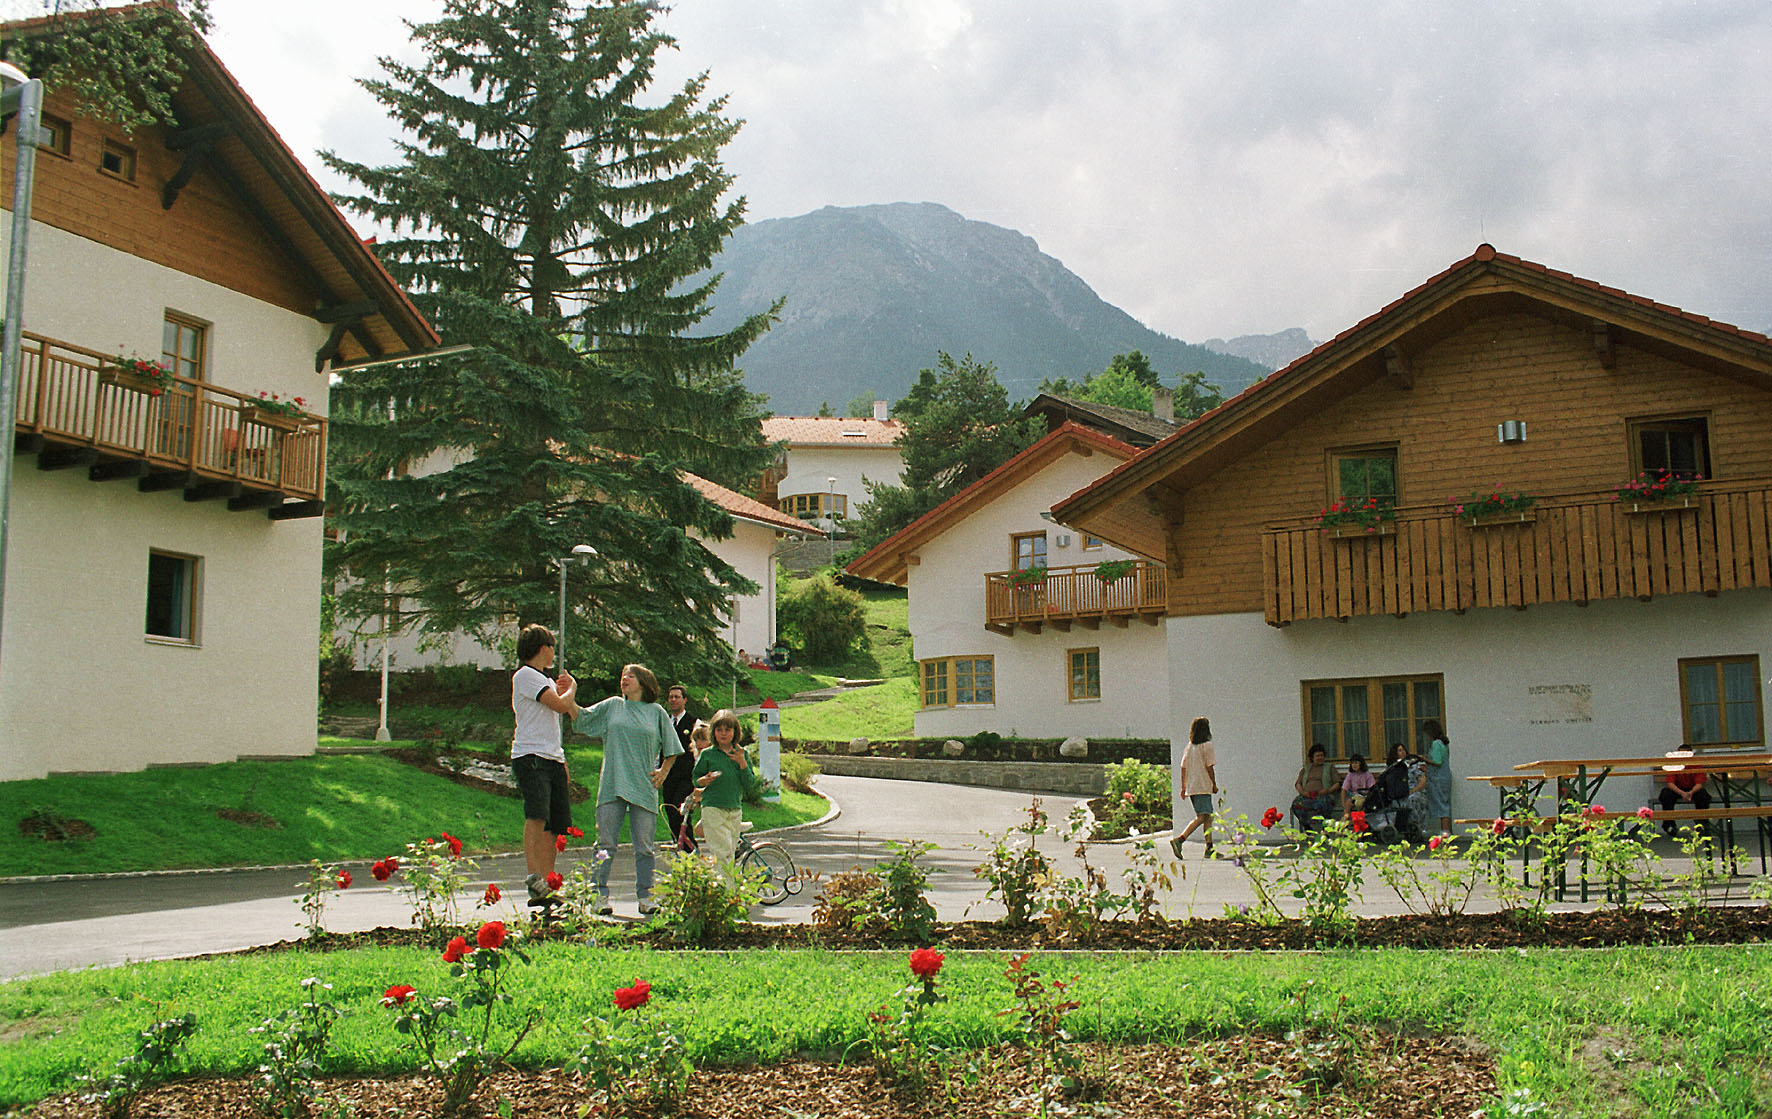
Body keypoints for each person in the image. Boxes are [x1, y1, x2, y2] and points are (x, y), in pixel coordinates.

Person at [573, 663, 681, 916]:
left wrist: (663, 772)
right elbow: (581, 717)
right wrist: (568, 694)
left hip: (644, 787)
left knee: (644, 846)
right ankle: (598, 894)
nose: (625, 679)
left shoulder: (656, 712)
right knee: (605, 843)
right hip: (612, 783)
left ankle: (646, 896)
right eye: (623, 676)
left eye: (631, 676)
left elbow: (673, 748)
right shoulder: (612, 706)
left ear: (644, 683)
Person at [509, 624, 578, 904]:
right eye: (551, 647)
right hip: (531, 756)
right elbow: (561, 706)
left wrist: (560, 759)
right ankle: (533, 875)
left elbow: (564, 714)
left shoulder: (545, 681)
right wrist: (572, 687)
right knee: (537, 814)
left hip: (551, 756)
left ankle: (548, 882)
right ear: (543, 648)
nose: (553, 653)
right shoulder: (525, 675)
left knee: (554, 822)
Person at [691, 709, 760, 880]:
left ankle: (724, 891)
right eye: (719, 729)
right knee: (722, 853)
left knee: (729, 853)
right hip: (712, 807)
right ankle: (728, 894)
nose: (723, 734)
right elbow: (695, 779)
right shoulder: (708, 754)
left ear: (735, 732)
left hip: (734, 808)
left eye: (727, 730)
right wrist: (703, 780)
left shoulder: (741, 753)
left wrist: (743, 764)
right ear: (713, 731)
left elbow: (750, 784)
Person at [1170, 716, 1217, 858]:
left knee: (1207, 817)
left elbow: (1183, 767)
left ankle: (1209, 848)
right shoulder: (1207, 746)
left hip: (1192, 786)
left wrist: (1183, 787)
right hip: (1203, 785)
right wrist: (1214, 784)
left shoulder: (1190, 746)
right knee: (1203, 816)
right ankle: (1180, 840)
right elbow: (1210, 767)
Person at [660, 684, 699, 852]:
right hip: (668, 777)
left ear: (684, 700)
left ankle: (691, 852)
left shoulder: (693, 722)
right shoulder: (663, 722)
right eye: (671, 697)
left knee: (681, 813)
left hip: (686, 777)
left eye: (677, 697)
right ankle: (680, 847)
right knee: (670, 813)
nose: (673, 700)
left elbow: (698, 750)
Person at [1292, 744, 1341, 828]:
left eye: (1321, 755)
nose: (1320, 758)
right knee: (1296, 804)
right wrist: (1303, 793)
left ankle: (1325, 828)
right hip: (1307, 796)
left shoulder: (1329, 768)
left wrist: (1328, 791)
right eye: (1317, 756)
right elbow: (1298, 784)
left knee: (1324, 804)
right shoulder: (1306, 768)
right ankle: (1306, 826)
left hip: (1323, 795)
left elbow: (1337, 783)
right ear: (1312, 757)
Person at [1657, 761, 1712, 835]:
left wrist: (1690, 793)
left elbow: (1699, 784)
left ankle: (1701, 823)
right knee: (1665, 795)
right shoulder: (1674, 766)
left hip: (1693, 789)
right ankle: (1669, 824)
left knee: (1703, 796)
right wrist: (1682, 793)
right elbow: (1670, 783)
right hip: (1677, 789)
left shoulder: (1696, 766)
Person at [1422, 719, 1453, 839]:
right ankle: (1444, 830)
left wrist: (1425, 759)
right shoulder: (1444, 743)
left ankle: (1445, 830)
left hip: (1438, 779)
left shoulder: (1436, 744)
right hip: (1443, 776)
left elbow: (1437, 761)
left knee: (1441, 804)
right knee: (1444, 803)